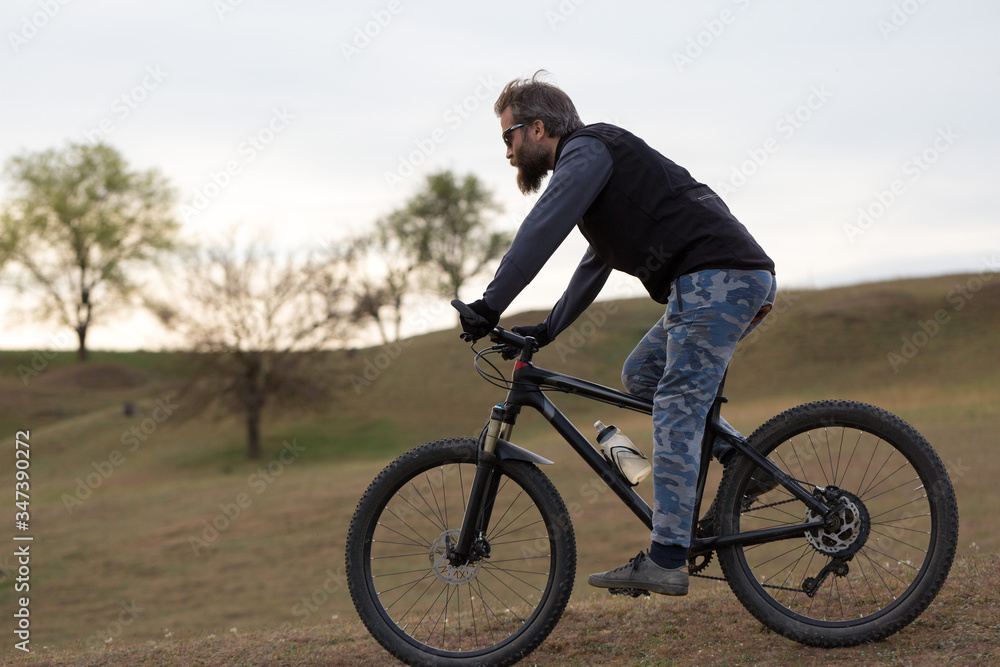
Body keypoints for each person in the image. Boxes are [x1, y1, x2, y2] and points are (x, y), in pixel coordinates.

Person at [457, 71, 776, 596]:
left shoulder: (587, 149)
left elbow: (543, 226)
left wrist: (490, 304)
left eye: (508, 137)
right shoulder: (596, 166)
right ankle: (744, 465)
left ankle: (667, 559)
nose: (507, 152)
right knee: (642, 375)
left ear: (538, 128)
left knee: (675, 404)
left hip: (718, 279)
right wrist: (549, 328)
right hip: (711, 283)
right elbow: (593, 264)